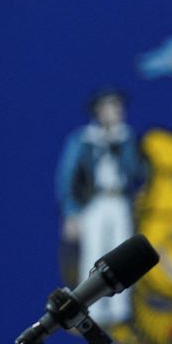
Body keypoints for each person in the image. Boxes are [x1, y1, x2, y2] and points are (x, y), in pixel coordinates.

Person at [56, 88, 143, 326]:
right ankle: (90, 305)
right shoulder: (83, 140)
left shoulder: (126, 137)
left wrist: (123, 148)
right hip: (93, 202)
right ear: (99, 111)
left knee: (122, 253)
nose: (117, 112)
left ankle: (120, 308)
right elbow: (68, 177)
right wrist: (71, 212)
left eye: (118, 107)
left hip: (119, 200)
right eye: (111, 107)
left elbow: (135, 171)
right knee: (94, 251)